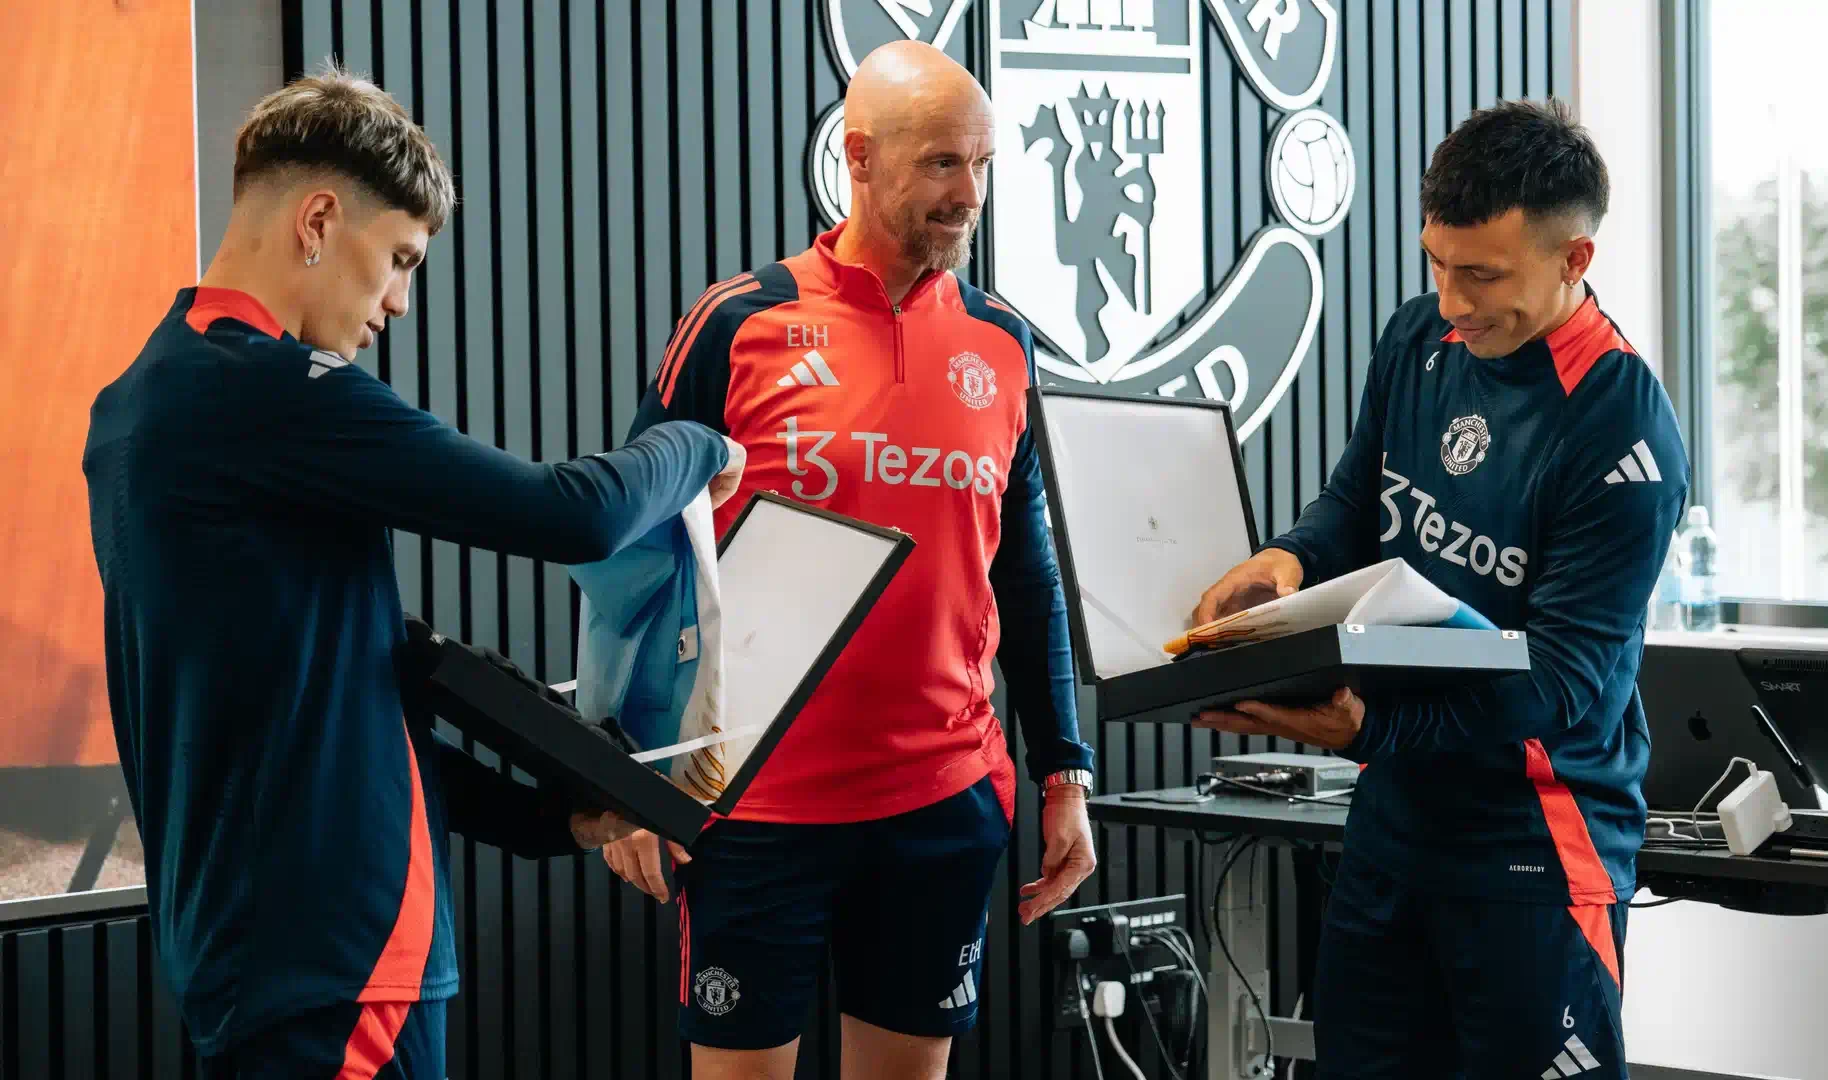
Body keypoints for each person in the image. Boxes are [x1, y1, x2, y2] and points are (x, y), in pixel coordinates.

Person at [82, 64, 743, 1079]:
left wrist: (552, 813)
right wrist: (700, 441)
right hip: (335, 956)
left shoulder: (142, 399)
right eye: (396, 258)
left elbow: (346, 687)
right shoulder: (266, 391)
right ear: (315, 220)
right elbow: (571, 512)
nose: (397, 301)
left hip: (267, 951)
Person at [597, 40, 1097, 1080]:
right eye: (941, 166)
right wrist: (630, 779)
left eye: (983, 164)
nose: (970, 195)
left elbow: (1028, 573)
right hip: (754, 806)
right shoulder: (741, 322)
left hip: (942, 800)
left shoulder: (1003, 341)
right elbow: (636, 552)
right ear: (860, 158)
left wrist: (1066, 774)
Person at [1188, 100, 1687, 1080]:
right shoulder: (1420, 338)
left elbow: (1560, 683)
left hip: (1536, 850)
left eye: (1483, 275)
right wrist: (1283, 563)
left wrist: (1371, 730)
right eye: (1438, 264)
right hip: (1391, 833)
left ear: (1573, 260)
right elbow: (1354, 503)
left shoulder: (1626, 438)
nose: (1452, 301)